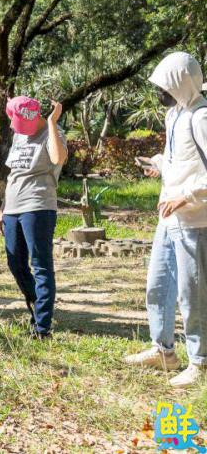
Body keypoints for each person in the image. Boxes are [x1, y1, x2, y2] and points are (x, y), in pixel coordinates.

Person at [124, 52, 207, 387]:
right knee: (158, 286)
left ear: (182, 84)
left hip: (195, 222)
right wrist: (158, 163)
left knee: (193, 294)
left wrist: (185, 195)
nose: (160, 93)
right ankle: (163, 351)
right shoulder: (176, 114)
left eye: (165, 86)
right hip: (168, 219)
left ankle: (200, 362)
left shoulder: (201, 116)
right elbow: (181, 158)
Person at [0, 96, 67, 339]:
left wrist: (52, 123)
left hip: (38, 205)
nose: (15, 126)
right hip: (12, 207)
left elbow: (58, 159)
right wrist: (3, 208)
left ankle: (42, 327)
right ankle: (38, 304)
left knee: (40, 264)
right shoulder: (19, 134)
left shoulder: (52, 133)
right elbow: (13, 174)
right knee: (15, 262)